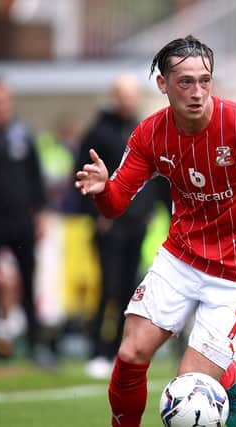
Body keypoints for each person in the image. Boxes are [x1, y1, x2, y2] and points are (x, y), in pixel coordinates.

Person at [74, 34, 236, 427]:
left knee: (189, 390)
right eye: (185, 82)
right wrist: (103, 189)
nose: (197, 92)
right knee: (130, 354)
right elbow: (116, 204)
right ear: (162, 85)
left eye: (205, 80)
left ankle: (232, 374)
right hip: (182, 258)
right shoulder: (150, 134)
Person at [77, 73, 170, 379]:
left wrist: (159, 211)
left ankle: (118, 348)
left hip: (137, 223)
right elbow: (82, 178)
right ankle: (96, 349)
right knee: (109, 287)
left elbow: (157, 176)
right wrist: (96, 215)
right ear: (114, 97)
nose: (129, 101)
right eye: (124, 95)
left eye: (133, 95)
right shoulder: (98, 132)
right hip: (109, 225)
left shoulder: (144, 129)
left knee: (131, 288)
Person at [0, 78, 52, 368]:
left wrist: (43, 213)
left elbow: (36, 179)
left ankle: (35, 345)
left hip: (20, 222)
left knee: (29, 282)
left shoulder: (24, 135)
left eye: (4, 99)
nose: (0, 105)